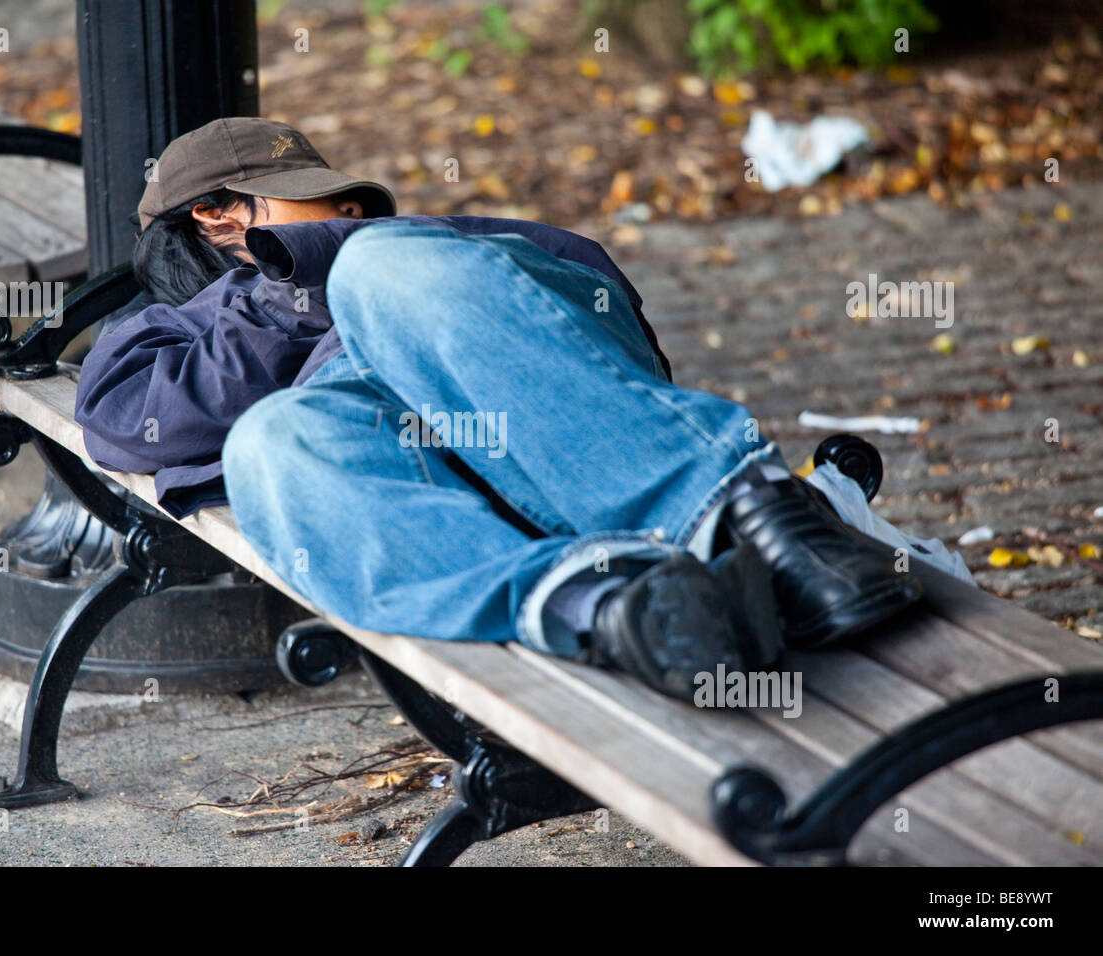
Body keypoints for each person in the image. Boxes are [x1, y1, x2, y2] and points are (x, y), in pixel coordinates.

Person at [75, 117, 934, 700]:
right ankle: (613, 609)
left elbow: (591, 309)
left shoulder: (423, 251)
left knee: (382, 267)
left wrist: (334, 257)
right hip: (407, 456)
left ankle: (753, 523)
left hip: (525, 401)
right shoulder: (177, 326)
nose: (350, 206)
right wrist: (282, 283)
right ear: (217, 214)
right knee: (267, 445)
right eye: (315, 195)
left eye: (348, 200)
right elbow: (121, 413)